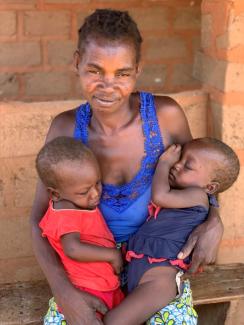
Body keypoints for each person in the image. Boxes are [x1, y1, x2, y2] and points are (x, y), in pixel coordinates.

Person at [30, 9, 224, 325]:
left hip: (154, 270)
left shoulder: (165, 116)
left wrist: (215, 221)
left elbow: (203, 181)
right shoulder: (65, 129)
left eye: (122, 73)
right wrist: (63, 292)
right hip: (88, 276)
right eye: (94, 70)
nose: (108, 85)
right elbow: (38, 220)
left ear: (137, 70)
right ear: (77, 61)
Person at [103, 138, 240, 325]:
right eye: (178, 160)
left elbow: (159, 196)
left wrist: (164, 163)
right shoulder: (182, 195)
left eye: (188, 166)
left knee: (114, 321)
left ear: (210, 187)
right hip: (142, 272)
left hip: (158, 281)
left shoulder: (198, 197)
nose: (177, 166)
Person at [35, 137, 124, 324]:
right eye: (84, 192)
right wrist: (112, 255)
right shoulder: (66, 213)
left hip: (103, 285)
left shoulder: (74, 204)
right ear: (55, 194)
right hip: (89, 288)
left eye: (97, 183)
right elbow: (73, 249)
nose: (95, 194)